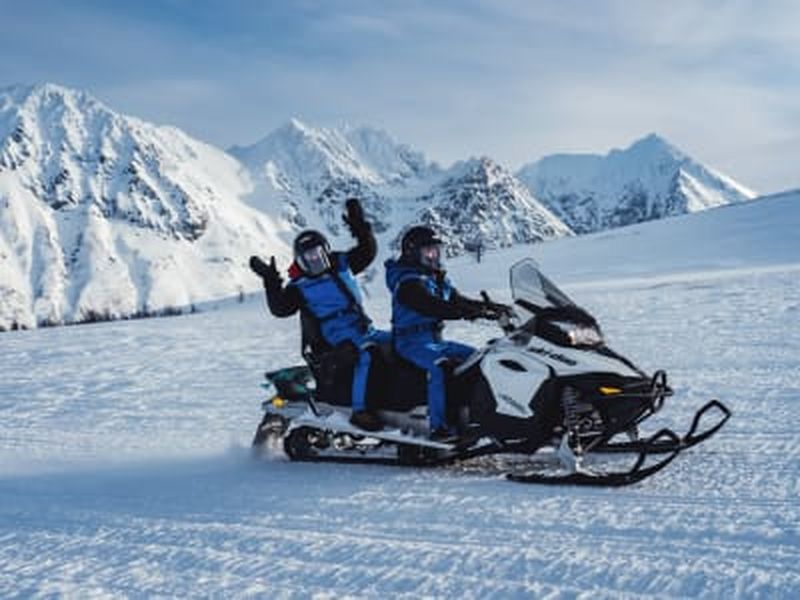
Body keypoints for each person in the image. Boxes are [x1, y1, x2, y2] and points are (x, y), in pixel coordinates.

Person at [250, 199, 390, 432]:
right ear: (299, 260)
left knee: (398, 345)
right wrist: (270, 281)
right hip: (334, 335)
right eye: (308, 258)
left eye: (317, 255)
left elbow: (367, 252)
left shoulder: (341, 265)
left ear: (326, 252)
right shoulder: (299, 286)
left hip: (362, 326)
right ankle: (360, 410)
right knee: (367, 353)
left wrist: (359, 225)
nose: (314, 261)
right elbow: (280, 309)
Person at [384, 225, 498, 441]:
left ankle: (475, 416)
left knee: (480, 358)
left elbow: (457, 300)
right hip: (410, 342)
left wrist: (490, 308)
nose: (434, 257)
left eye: (437, 251)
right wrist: (464, 312)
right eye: (428, 252)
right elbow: (430, 305)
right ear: (412, 253)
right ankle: (440, 428)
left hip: (435, 340)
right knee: (441, 367)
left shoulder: (435, 277)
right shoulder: (407, 282)